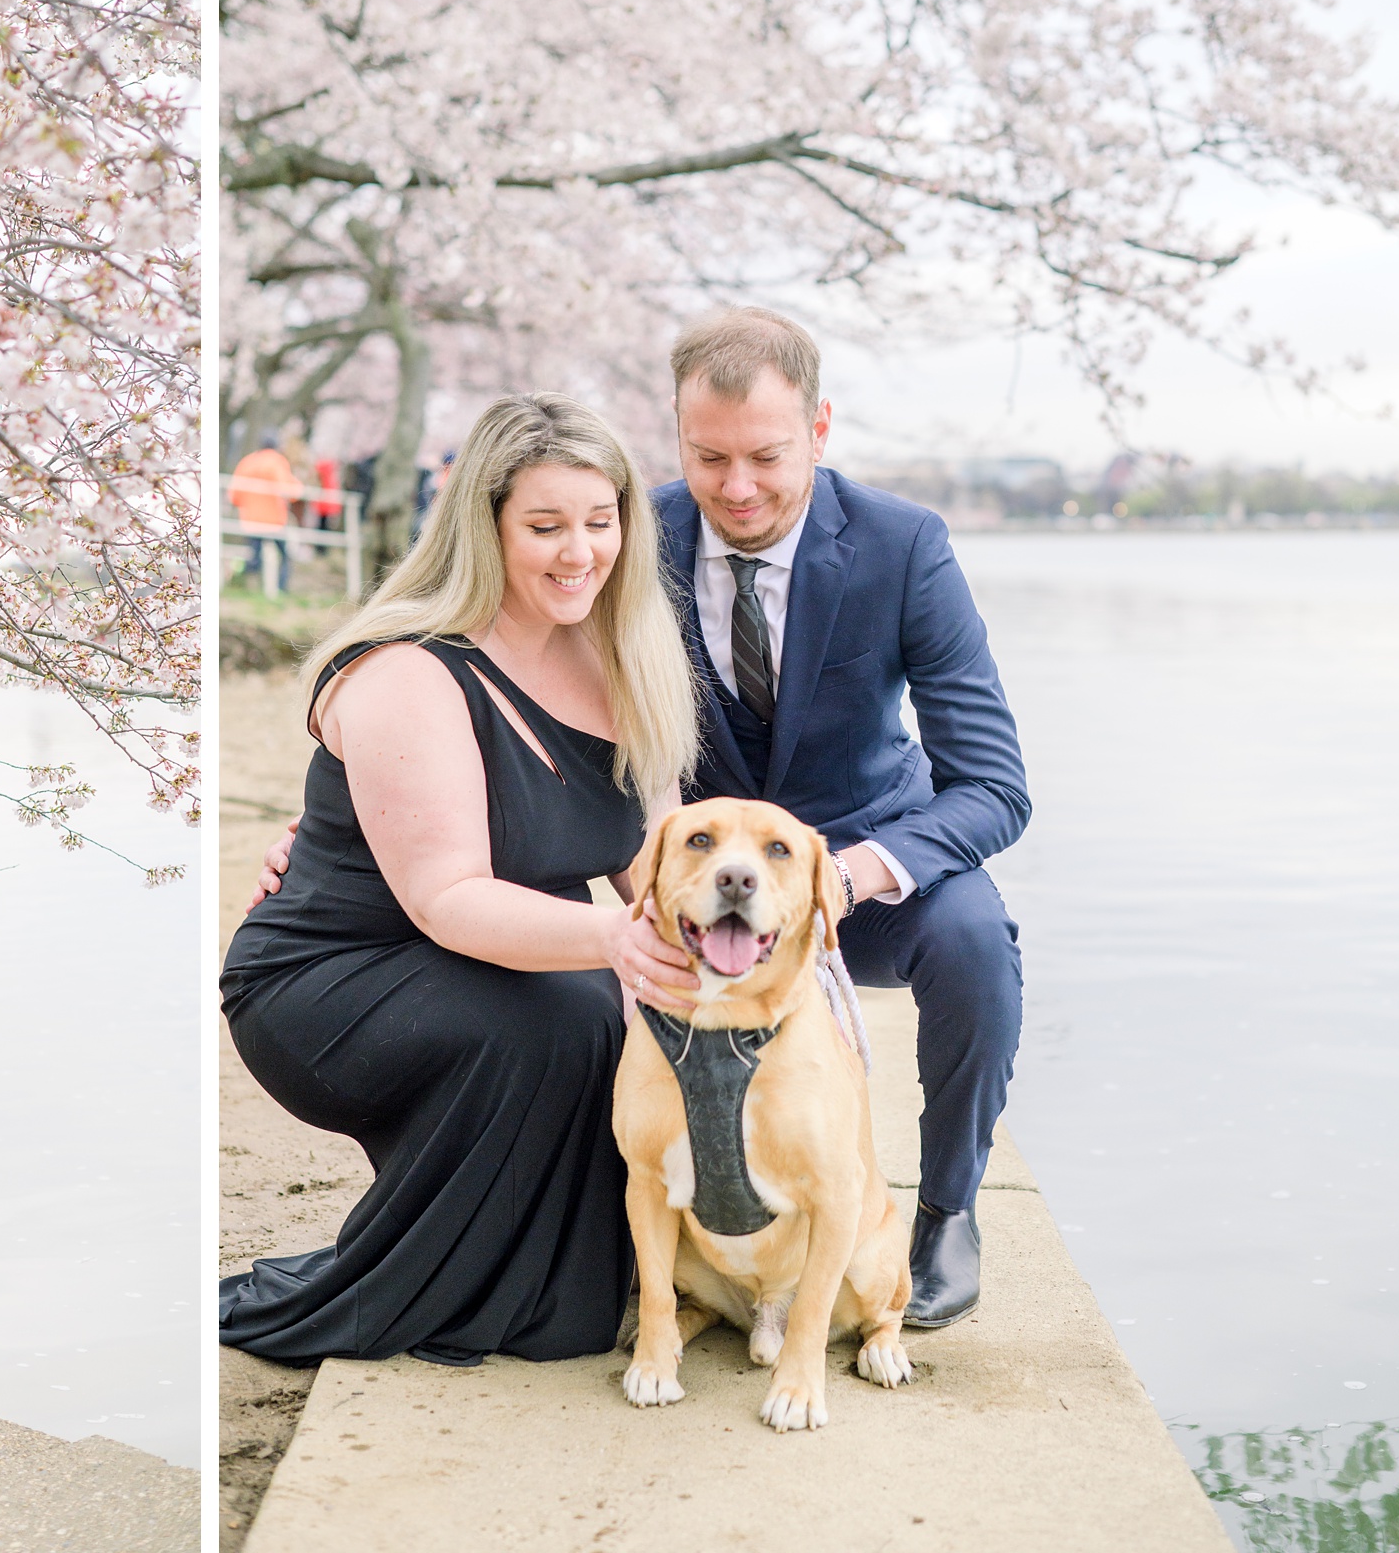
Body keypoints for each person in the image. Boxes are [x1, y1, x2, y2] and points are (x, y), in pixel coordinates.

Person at [256, 309, 1030, 1330]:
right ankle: (627, 1246)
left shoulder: (900, 546)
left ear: (820, 428)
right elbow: (491, 727)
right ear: (674, 436)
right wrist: (347, 826)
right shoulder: (625, 537)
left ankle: (944, 1212)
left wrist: (852, 873)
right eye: (709, 456)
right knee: (593, 1013)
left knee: (975, 936)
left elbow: (995, 784)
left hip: (850, 865)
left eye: (766, 455)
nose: (738, 486)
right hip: (677, 874)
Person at [220, 394, 700, 1365]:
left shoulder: (623, 660)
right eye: (545, 526)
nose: (579, 551)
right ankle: (446, 1286)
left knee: (634, 1012)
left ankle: (563, 1277)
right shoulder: (410, 672)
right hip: (331, 980)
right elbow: (447, 898)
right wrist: (616, 943)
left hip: (481, 959)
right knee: (574, 1013)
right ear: (484, 528)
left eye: (600, 522)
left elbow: (649, 860)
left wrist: (731, 927)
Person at [229, 441, 303, 593]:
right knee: (285, 555)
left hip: (250, 519)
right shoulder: (277, 461)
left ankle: (247, 587)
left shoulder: (247, 462)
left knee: (254, 555)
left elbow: (234, 496)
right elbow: (290, 491)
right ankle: (281, 589)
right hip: (273, 520)